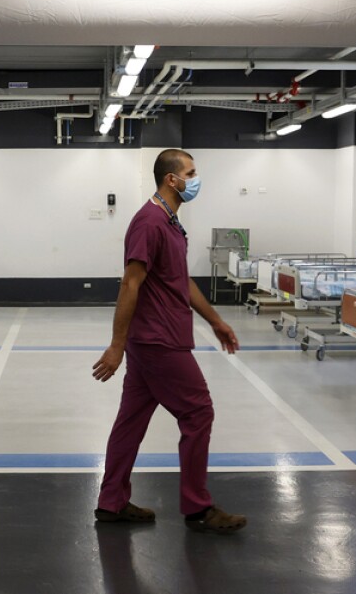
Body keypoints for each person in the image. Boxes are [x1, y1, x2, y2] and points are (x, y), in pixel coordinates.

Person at [92, 148, 247, 535]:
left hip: (154, 341)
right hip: (160, 342)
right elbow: (131, 283)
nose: (196, 179)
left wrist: (216, 321)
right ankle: (198, 508)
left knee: (130, 421)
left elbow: (181, 282)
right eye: (191, 173)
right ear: (171, 179)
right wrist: (116, 344)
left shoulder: (171, 222)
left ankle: (111, 502)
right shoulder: (149, 223)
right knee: (198, 413)